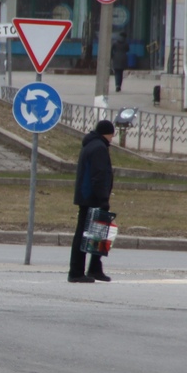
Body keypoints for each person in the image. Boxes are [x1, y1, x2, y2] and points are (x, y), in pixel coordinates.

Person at [69, 119, 115, 283]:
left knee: (98, 234)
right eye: (112, 135)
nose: (112, 139)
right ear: (108, 134)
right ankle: (76, 272)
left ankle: (95, 268)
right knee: (85, 234)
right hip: (92, 198)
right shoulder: (99, 148)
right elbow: (99, 175)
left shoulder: (91, 145)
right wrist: (103, 199)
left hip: (87, 196)